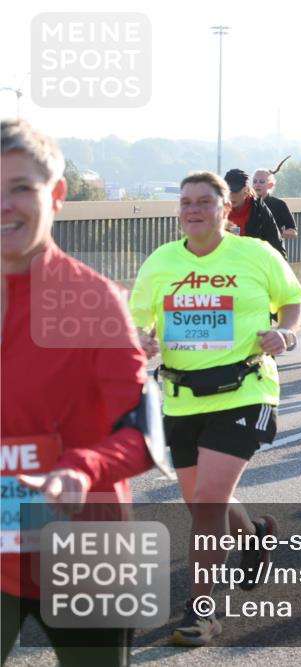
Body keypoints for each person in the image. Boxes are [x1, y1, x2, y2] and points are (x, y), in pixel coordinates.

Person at [129, 170, 301, 646]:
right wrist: (141, 340)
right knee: (205, 501)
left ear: (225, 209)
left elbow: (293, 300)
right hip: (181, 396)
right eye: (185, 201)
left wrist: (285, 333)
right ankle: (253, 535)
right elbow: (136, 321)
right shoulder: (161, 262)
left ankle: (200, 613)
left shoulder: (254, 254)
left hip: (246, 389)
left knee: (207, 502)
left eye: (204, 201)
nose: (193, 209)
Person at [1, 120, 154, 666]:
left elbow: (141, 436)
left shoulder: (92, 302)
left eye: (20, 187)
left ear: (57, 194)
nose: (5, 206)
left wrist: (82, 468)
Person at [223, 168, 286, 258]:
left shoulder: (259, 210)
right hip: (225, 265)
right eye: (228, 191)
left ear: (246, 190)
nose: (231, 195)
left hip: (252, 264)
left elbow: (276, 244)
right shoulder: (217, 209)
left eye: (235, 190)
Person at [252, 157, 298, 241]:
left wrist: (277, 233)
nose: (257, 184)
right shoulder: (247, 203)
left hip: (273, 250)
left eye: (261, 182)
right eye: (254, 181)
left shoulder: (279, 204)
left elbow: (293, 232)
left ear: (270, 185)